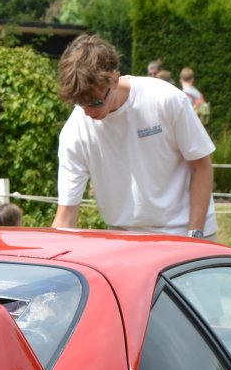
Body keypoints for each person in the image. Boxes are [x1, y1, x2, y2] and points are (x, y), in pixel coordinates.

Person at [52, 35, 217, 238]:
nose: (87, 112)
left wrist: (195, 234)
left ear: (114, 79)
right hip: (124, 238)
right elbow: (66, 216)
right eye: (79, 103)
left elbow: (201, 166)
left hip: (185, 231)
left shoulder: (165, 100)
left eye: (95, 103)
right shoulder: (75, 131)